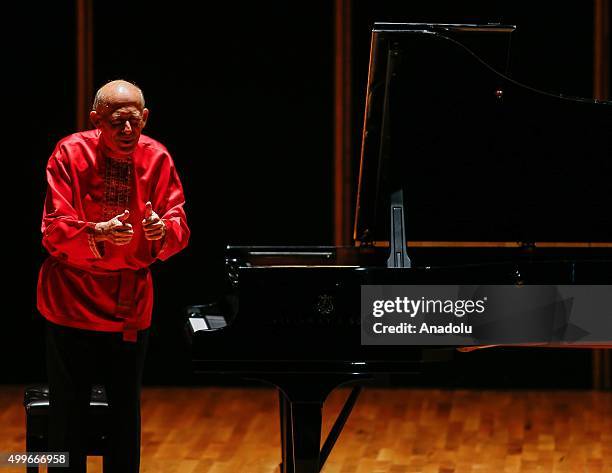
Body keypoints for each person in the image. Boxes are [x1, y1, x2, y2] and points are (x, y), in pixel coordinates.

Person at [37, 80, 190, 472]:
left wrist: (161, 231)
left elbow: (178, 225)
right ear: (96, 120)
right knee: (68, 415)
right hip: (71, 300)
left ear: (146, 119)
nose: (127, 132)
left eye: (134, 122)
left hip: (128, 303)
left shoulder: (157, 157)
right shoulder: (70, 152)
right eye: (116, 122)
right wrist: (95, 232)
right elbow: (54, 228)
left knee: (124, 415)